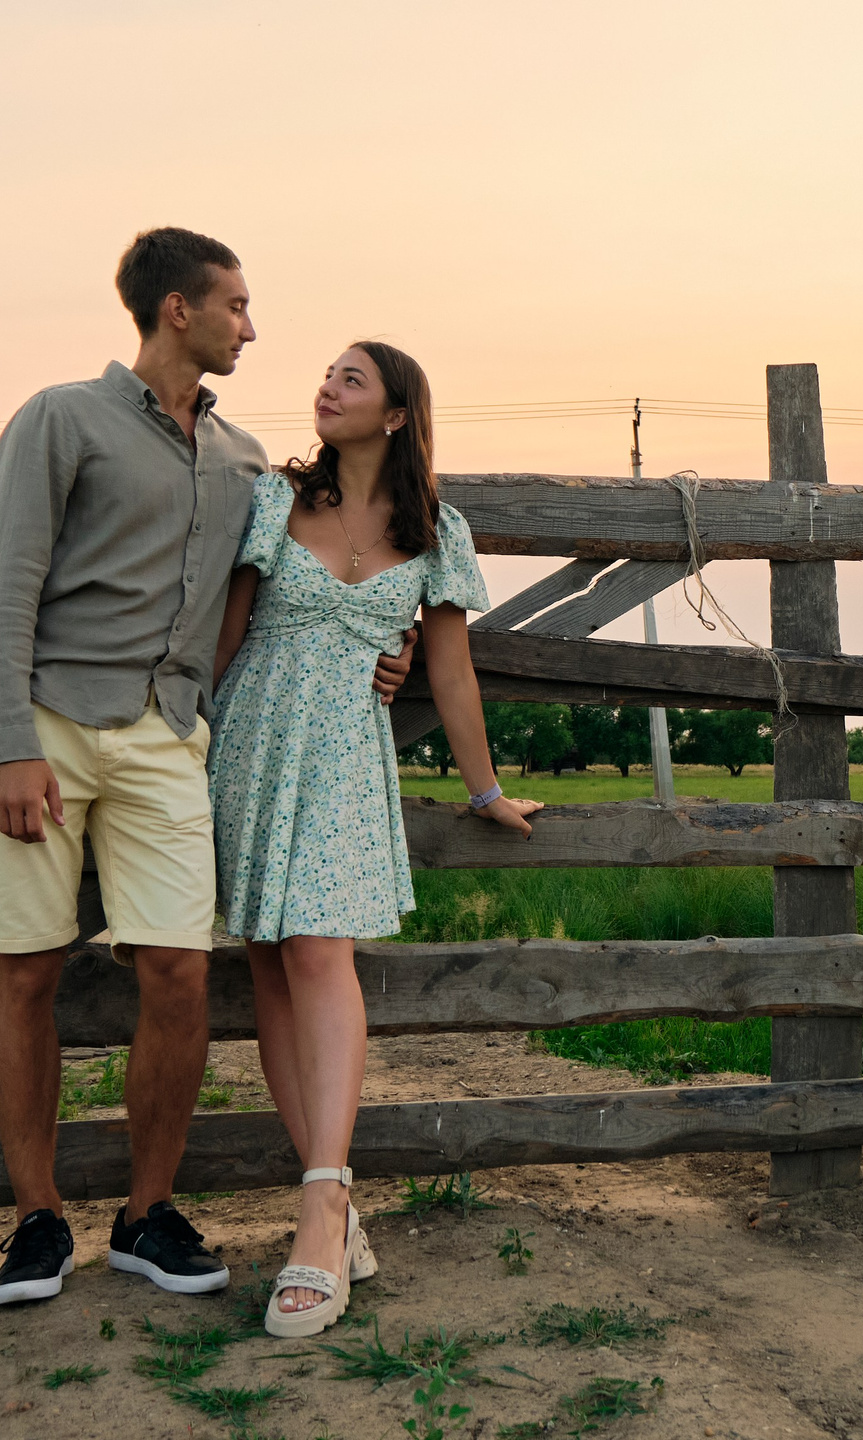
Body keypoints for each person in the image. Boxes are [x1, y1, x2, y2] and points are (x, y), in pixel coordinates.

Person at [0, 229, 415, 1308]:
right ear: (179, 310)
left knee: (176, 970)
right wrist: (14, 744)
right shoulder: (60, 417)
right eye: (237, 307)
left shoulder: (245, 462)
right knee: (25, 968)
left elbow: (313, 573)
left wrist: (376, 647)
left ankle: (145, 1214)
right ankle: (36, 1223)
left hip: (170, 737)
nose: (252, 328)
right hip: (49, 724)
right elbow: (3, 586)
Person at [209, 339, 540, 1337]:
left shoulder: (438, 531)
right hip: (251, 740)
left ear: (396, 414)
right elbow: (223, 640)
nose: (325, 388)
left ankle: (319, 1209)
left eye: (350, 379)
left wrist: (483, 792)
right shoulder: (274, 503)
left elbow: (452, 673)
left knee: (318, 950)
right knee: (269, 962)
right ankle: (332, 1205)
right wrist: (187, 746)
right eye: (325, 375)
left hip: (347, 759)